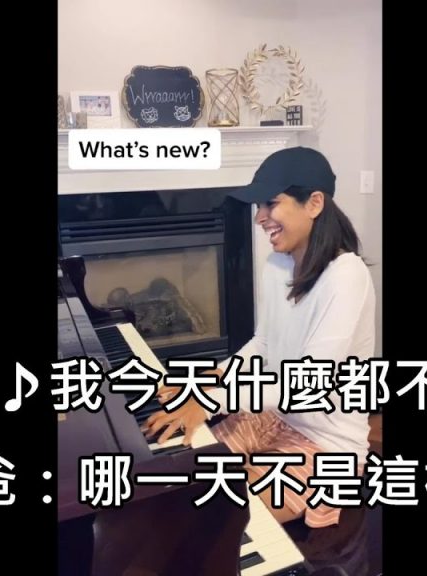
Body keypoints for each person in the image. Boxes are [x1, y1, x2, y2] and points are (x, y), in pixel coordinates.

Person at [145, 147, 376, 528]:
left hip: (327, 444)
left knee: (224, 515)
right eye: (258, 206)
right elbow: (263, 344)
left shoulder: (346, 275)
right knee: (181, 474)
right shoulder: (278, 264)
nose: (259, 218)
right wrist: (211, 378)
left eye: (271, 203)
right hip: (271, 414)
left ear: (314, 203)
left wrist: (212, 401)